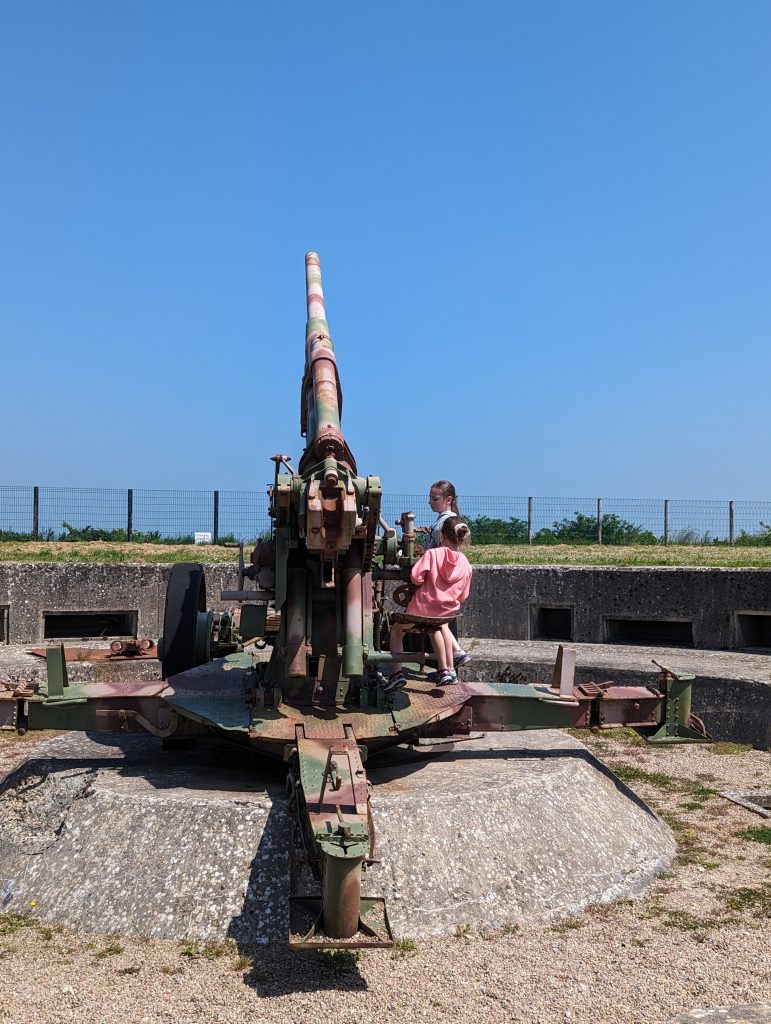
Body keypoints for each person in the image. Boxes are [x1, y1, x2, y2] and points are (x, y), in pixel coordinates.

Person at [386, 516, 473, 690]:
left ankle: (397, 674)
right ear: (462, 539)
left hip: (421, 609)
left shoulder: (433, 554)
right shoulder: (466, 563)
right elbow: (463, 596)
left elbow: (416, 577)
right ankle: (446, 671)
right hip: (445, 612)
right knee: (439, 627)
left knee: (396, 632)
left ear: (441, 535)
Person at [418, 480, 471, 669]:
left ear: (449, 499)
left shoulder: (443, 524)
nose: (430, 502)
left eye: (435, 498)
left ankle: (446, 667)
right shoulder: (448, 521)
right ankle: (451, 664)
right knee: (444, 626)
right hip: (449, 590)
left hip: (436, 586)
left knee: (437, 626)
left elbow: (441, 554)